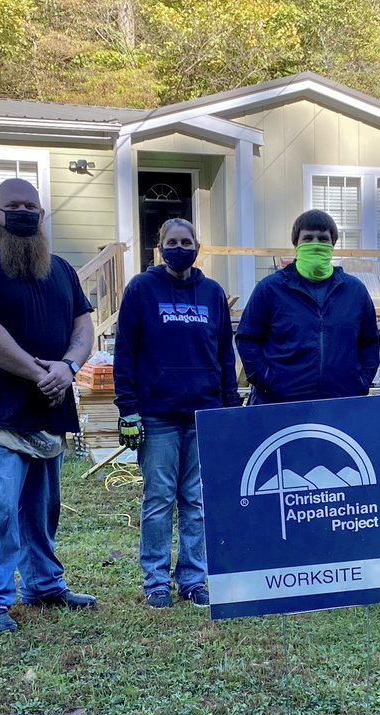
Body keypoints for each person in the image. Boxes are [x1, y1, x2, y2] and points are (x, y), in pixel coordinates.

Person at [0, 178, 97, 633]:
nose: (24, 212)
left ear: (43, 215)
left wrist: (68, 368)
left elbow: (84, 327)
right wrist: (40, 373)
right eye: (14, 205)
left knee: (41, 509)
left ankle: (44, 586)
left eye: (31, 205)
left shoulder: (63, 271)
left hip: (48, 410)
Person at [114, 218, 241, 609]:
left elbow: (224, 355)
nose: (180, 247)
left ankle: (193, 579)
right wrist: (128, 409)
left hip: (202, 414)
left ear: (197, 246)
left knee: (196, 502)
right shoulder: (141, 290)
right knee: (158, 500)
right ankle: (155, 582)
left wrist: (229, 407)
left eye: (186, 241)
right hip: (157, 416)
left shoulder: (213, 293)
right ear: (160, 246)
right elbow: (125, 353)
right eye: (172, 241)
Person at [235, 209, 380, 404]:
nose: (315, 244)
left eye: (322, 239)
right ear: (296, 244)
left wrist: (361, 382)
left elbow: (369, 342)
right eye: (308, 238)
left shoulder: (355, 291)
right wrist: (266, 380)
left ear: (333, 244)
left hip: (340, 404)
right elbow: (247, 339)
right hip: (281, 405)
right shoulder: (271, 288)